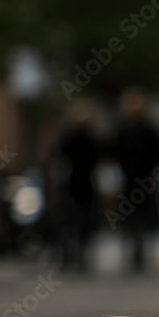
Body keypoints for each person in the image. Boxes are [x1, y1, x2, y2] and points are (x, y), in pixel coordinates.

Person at [115, 87, 159, 271]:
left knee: (140, 218)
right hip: (137, 181)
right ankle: (137, 253)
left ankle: (139, 252)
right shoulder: (130, 131)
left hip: (140, 180)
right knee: (136, 218)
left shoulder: (138, 131)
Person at [54, 100, 102, 270]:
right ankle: (77, 254)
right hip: (82, 185)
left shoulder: (70, 139)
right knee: (81, 222)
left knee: (72, 222)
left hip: (75, 186)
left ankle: (71, 255)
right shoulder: (90, 139)